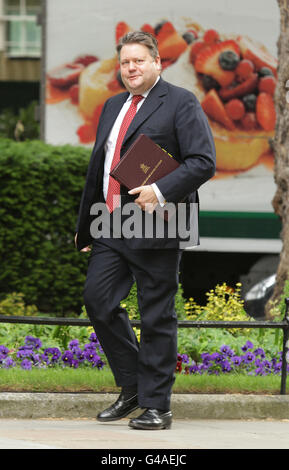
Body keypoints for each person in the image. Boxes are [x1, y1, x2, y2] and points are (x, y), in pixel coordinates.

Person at [75, 31, 216, 430]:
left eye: (139, 60)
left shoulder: (181, 102)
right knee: (97, 301)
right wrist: (85, 225)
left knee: (156, 316)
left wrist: (158, 190)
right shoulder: (112, 106)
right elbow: (99, 170)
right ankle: (134, 386)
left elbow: (203, 161)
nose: (131, 68)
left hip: (160, 219)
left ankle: (158, 406)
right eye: (125, 62)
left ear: (158, 63)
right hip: (112, 220)